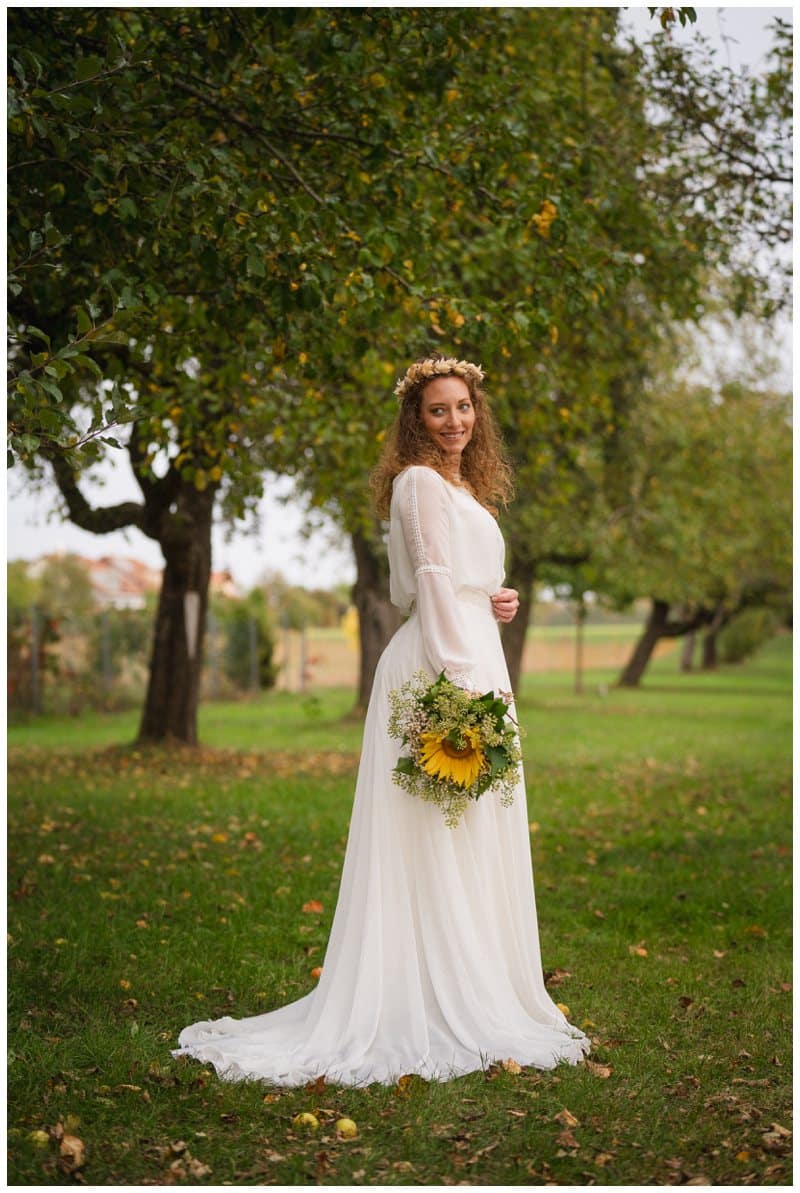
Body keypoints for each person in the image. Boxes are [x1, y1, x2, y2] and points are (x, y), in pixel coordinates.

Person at [174, 355, 590, 1085]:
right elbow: (425, 582)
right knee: (433, 831)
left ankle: (478, 980)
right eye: (438, 409)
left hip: (469, 648)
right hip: (442, 667)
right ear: (414, 418)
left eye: (463, 406)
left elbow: (454, 576)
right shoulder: (419, 481)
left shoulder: (461, 484)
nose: (454, 420)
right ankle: (430, 997)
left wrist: (495, 600)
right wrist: (458, 691)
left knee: (469, 831)